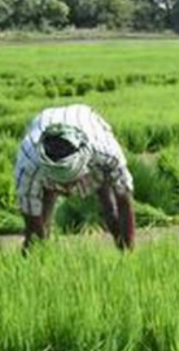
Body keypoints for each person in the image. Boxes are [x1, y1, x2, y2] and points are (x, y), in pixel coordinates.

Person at [15, 104, 136, 251]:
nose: (67, 191)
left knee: (111, 209)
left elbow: (124, 201)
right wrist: (38, 250)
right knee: (40, 226)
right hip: (43, 127)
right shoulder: (29, 165)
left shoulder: (105, 151)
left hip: (86, 120)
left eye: (71, 182)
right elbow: (32, 226)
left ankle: (124, 250)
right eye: (61, 184)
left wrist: (129, 250)